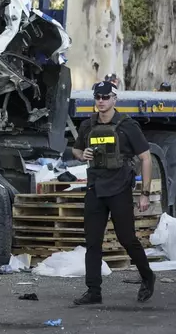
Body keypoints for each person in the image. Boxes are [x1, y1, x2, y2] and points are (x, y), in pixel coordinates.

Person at [72, 81, 155, 305]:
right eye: (98, 97)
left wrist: (144, 193)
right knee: (92, 242)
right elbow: (76, 148)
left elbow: (145, 158)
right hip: (95, 189)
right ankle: (93, 291)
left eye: (106, 97)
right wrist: (82, 155)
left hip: (119, 189)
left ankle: (148, 277)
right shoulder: (87, 125)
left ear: (114, 99)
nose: (101, 101)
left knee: (127, 238)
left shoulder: (128, 126)